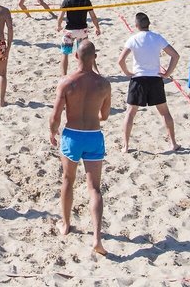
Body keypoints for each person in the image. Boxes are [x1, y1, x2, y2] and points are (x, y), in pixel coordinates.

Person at [48, 40, 111, 256]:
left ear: (75, 56)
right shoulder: (104, 84)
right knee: (95, 189)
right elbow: (104, 115)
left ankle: (66, 224)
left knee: (68, 180)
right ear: (95, 58)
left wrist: (52, 132)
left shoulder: (66, 82)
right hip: (93, 135)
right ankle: (97, 238)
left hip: (72, 135)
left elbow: (55, 115)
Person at [117, 12, 181, 153]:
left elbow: (120, 60)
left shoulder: (133, 39)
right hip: (155, 79)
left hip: (138, 79)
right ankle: (173, 143)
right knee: (164, 113)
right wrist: (167, 73)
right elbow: (175, 55)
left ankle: (125, 146)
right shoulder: (157, 37)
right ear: (149, 24)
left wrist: (127, 73)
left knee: (130, 114)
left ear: (136, 25)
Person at [57, 0, 102, 75]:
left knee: (65, 53)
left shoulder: (67, 1)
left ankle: (63, 76)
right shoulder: (86, 0)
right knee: (87, 52)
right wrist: (97, 28)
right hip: (82, 31)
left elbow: (60, 17)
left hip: (70, 32)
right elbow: (93, 16)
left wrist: (58, 26)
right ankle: (96, 72)